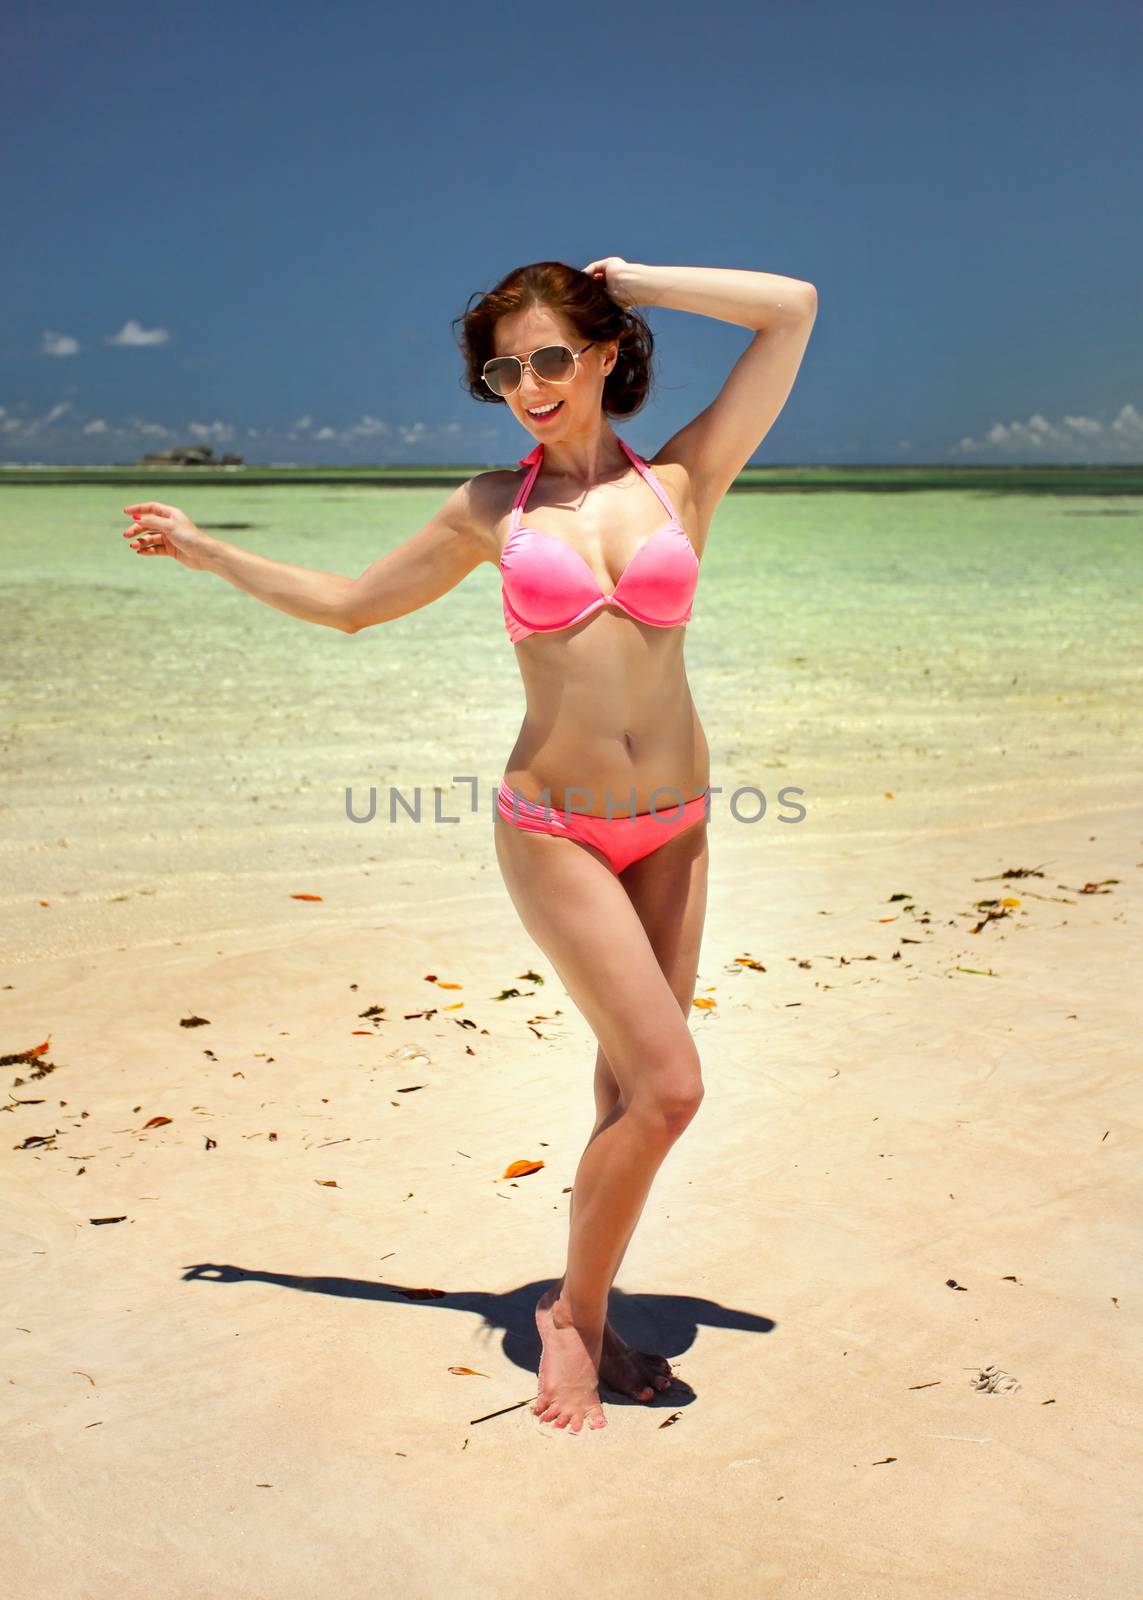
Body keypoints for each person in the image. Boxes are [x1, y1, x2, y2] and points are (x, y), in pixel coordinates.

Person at [120, 256, 817, 1435]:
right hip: (555, 832)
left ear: (603, 354)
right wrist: (209, 551)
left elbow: (791, 308)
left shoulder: (689, 477)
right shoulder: (492, 509)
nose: (529, 383)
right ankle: (568, 1316)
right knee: (670, 1087)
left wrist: (633, 277)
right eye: (505, 367)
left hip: (679, 827)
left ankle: (590, 1314)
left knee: (625, 1094)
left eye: (552, 356)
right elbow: (350, 606)